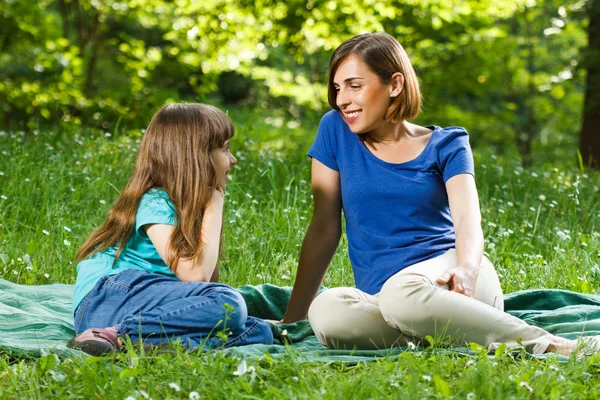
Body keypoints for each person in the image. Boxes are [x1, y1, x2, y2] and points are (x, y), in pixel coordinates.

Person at [281, 32, 594, 356]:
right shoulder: (335, 130)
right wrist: (292, 319)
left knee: (402, 295)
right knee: (327, 312)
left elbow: (467, 220)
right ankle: (458, 336)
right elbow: (323, 228)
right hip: (387, 304)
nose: (342, 98)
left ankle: (552, 345)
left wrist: (468, 269)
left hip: (455, 281)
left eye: (354, 86)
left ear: (395, 85)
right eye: (337, 88)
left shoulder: (448, 145)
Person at [68, 103, 273, 356]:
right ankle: (117, 334)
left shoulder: (189, 207)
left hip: (140, 307)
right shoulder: (156, 201)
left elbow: (206, 281)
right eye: (226, 149)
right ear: (197, 156)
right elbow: (197, 278)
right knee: (229, 302)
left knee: (259, 330)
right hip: (107, 298)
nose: (233, 159)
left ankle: (150, 346)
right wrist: (215, 205)